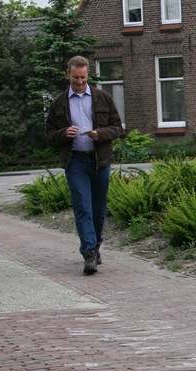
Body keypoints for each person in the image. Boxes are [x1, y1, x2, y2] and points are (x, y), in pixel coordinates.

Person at [45, 55, 125, 275]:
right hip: (75, 161)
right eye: (75, 78)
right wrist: (64, 133)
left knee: (98, 209)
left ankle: (96, 248)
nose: (80, 82)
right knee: (82, 207)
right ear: (68, 74)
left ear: (88, 74)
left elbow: (118, 128)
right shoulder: (59, 102)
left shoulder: (103, 98)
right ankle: (88, 253)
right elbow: (49, 134)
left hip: (100, 160)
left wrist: (101, 134)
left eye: (83, 77)